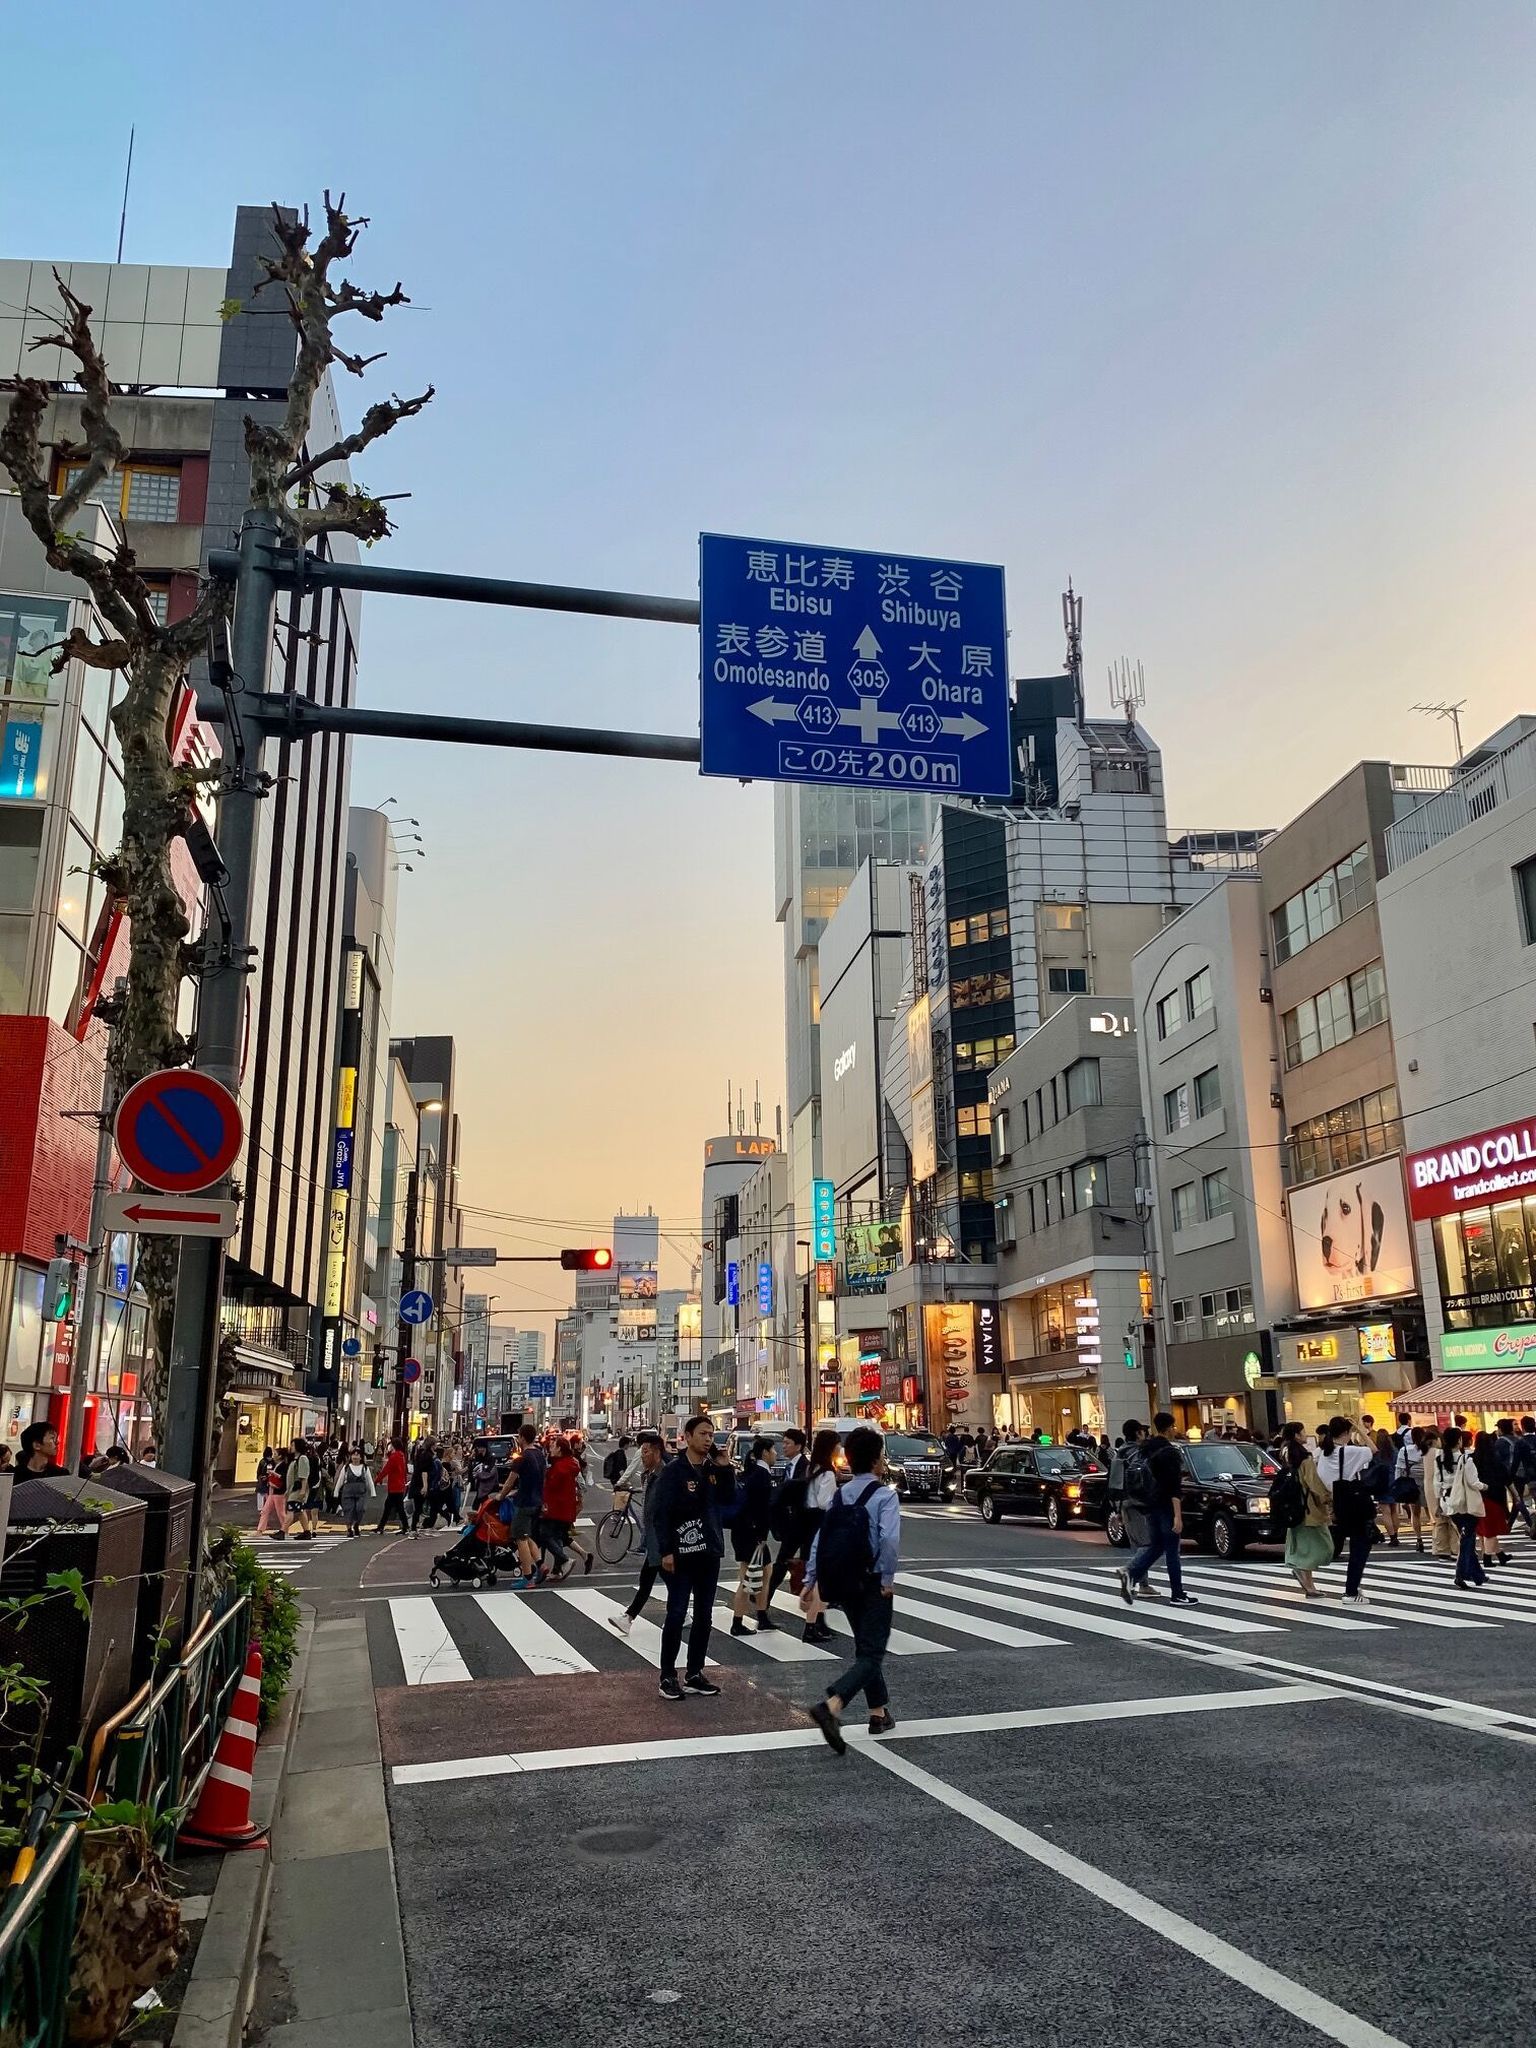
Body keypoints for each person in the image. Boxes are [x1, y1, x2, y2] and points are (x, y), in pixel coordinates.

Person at [803, 1424, 901, 1751]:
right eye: (882, 1456)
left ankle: (878, 1713)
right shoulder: (885, 1496)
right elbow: (889, 1540)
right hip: (871, 1580)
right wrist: (886, 1579)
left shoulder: (841, 1495)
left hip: (843, 1580)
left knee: (865, 1646)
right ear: (875, 1461)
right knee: (873, 1652)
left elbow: (821, 1538)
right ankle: (832, 1705)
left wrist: (810, 1579)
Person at [649, 1414, 736, 1700]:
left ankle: (695, 1672)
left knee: (704, 1615)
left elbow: (729, 1499)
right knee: (676, 1614)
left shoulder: (713, 1469)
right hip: (681, 1554)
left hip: (709, 1551)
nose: (708, 1439)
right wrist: (666, 1550)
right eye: (702, 1434)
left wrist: (725, 1468)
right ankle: (667, 1675)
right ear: (687, 1437)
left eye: (711, 1434)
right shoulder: (673, 1472)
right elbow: (660, 1513)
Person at [1116, 1412, 1197, 1607]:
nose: (1174, 1430)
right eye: (1173, 1427)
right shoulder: (1169, 1452)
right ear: (1168, 1428)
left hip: (1149, 1503)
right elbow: (1174, 1486)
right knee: (1172, 1551)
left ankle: (1131, 1574)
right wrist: (1178, 1516)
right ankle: (1177, 1594)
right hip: (1166, 1505)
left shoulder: (1145, 1448)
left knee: (1156, 1546)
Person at [609, 1432, 668, 1635]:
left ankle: (629, 1617)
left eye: (645, 1452)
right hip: (654, 1538)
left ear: (657, 1453)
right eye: (641, 1451)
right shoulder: (649, 1474)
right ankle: (629, 1617)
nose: (642, 1456)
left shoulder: (664, 1476)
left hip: (661, 1539)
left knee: (659, 1579)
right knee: (651, 1579)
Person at [1314, 1418, 1378, 1604]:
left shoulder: (1324, 1453)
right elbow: (1373, 1449)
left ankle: (1354, 1586)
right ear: (1346, 1433)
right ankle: (1351, 1591)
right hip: (1355, 1502)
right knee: (1361, 1546)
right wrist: (1360, 1428)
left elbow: (1322, 1479)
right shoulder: (1348, 1451)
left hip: (1339, 1503)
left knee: (1356, 1543)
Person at [1274, 1430, 1335, 1595]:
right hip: (1309, 1509)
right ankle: (1301, 1572)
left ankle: (1309, 1585)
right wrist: (1327, 1498)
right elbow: (1313, 1483)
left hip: (1293, 1509)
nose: (1305, 1434)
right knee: (1325, 1546)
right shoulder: (1306, 1459)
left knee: (1302, 1546)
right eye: (1302, 1432)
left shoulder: (1286, 1455)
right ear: (1296, 1435)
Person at [729, 1437, 779, 1636]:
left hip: (743, 1531)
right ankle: (738, 1621)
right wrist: (761, 1534)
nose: (776, 1454)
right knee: (749, 1578)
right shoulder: (761, 1475)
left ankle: (761, 1616)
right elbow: (761, 1508)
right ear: (765, 1453)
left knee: (762, 1572)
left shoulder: (751, 1472)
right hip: (752, 1533)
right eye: (773, 1450)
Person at [798, 1429, 841, 1643]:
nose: (840, 1448)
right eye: (837, 1444)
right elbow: (826, 1503)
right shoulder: (828, 1473)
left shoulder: (811, 1468)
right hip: (822, 1523)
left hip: (808, 1522)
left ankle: (819, 1622)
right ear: (831, 1447)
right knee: (822, 1578)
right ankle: (811, 1625)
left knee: (818, 1574)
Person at [496, 1424, 548, 1586]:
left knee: (520, 1539)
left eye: (519, 1436)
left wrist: (500, 1496)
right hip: (537, 1501)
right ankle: (541, 1564)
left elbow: (509, 1482)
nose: (518, 1439)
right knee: (527, 1534)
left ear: (523, 1438)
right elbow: (542, 1479)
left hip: (524, 1502)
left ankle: (527, 1577)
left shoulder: (522, 1458)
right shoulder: (540, 1454)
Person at [1436, 1427, 1488, 1588]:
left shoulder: (1439, 1458)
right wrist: (1485, 1486)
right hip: (1464, 1502)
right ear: (1459, 1441)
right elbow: (1473, 1482)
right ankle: (1461, 1573)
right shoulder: (1465, 1459)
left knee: (1466, 1537)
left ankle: (1477, 1575)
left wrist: (1438, 1503)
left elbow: (1436, 1482)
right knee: (1468, 1539)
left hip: (1448, 1501)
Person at [765, 1428, 809, 1605]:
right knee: (783, 1561)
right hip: (791, 1524)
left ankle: (814, 1605)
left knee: (797, 1562)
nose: (783, 1446)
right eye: (783, 1443)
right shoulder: (790, 1466)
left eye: (787, 1443)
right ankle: (766, 1598)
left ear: (798, 1446)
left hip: (804, 1522)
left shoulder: (805, 1467)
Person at [539, 1435, 592, 1580]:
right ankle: (561, 1568)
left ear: (560, 1449)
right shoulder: (569, 1463)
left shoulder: (559, 1467)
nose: (550, 1448)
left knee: (546, 1535)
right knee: (560, 1537)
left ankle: (564, 1560)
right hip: (566, 1508)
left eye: (553, 1446)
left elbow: (551, 1488)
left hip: (556, 1508)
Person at [1472, 1430, 1511, 1569]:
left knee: (1486, 1528)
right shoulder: (1495, 1459)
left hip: (1478, 1497)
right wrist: (1515, 1495)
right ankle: (1487, 1557)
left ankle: (1500, 1555)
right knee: (1491, 1530)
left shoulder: (1472, 1459)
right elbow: (1506, 1478)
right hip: (1495, 1497)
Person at [1423, 1426, 1460, 1562]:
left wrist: (1438, 1498)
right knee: (1455, 1522)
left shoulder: (1436, 1456)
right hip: (1456, 1493)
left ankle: (1441, 1549)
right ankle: (1456, 1549)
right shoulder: (1461, 1457)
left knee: (1440, 1522)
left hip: (1440, 1492)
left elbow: (1437, 1480)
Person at [1388, 1425, 1427, 1553]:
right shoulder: (1428, 1450)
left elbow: (1399, 1469)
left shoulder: (1404, 1450)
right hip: (1427, 1483)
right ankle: (1437, 1537)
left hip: (1411, 1485)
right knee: (1431, 1512)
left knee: (1415, 1513)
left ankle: (1419, 1539)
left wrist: (1398, 1484)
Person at [335, 1447, 373, 1537]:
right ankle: (349, 1529)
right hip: (348, 1493)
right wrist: (336, 1491)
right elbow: (340, 1480)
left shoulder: (365, 1468)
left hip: (361, 1493)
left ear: (361, 1457)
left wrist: (372, 1492)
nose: (355, 1457)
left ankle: (356, 1524)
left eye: (357, 1455)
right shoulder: (346, 1467)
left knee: (360, 1509)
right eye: (353, 1455)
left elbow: (369, 1481)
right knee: (349, 1510)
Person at [375, 1439, 410, 1534]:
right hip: (400, 1485)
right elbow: (404, 1470)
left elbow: (386, 1470)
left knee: (393, 1507)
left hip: (394, 1486)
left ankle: (404, 1526)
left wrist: (377, 1480)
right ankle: (382, 1526)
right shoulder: (402, 1456)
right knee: (394, 1507)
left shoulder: (394, 1457)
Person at [287, 1437, 317, 1540]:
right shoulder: (296, 1459)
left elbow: (304, 1476)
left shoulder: (302, 1458)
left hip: (298, 1489)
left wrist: (303, 1490)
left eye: (293, 1445)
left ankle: (282, 1530)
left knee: (291, 1509)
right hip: (294, 1489)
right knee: (299, 1510)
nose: (291, 1447)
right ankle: (306, 1531)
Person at [409, 1439, 437, 1536]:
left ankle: (415, 1528)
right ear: (432, 1445)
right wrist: (425, 1486)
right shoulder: (427, 1456)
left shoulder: (422, 1454)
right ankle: (414, 1528)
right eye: (435, 1444)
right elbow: (424, 1472)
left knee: (419, 1507)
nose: (436, 1446)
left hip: (418, 1483)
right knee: (419, 1507)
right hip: (420, 1484)